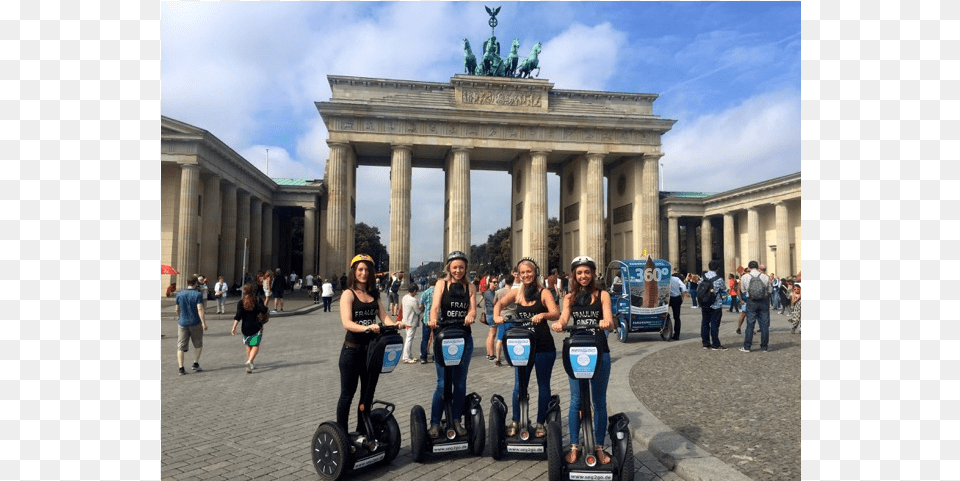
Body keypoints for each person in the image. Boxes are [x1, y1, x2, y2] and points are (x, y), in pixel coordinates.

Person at [551, 256, 614, 465]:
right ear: (573, 276)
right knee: (576, 399)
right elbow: (564, 317)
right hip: (577, 352)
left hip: (599, 352)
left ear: (593, 274)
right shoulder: (569, 297)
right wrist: (559, 324)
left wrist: (606, 322)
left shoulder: (602, 295)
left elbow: (609, 318)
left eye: (587, 272)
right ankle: (574, 445)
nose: (583, 276)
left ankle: (598, 446)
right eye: (579, 273)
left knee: (599, 401)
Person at [336, 254, 405, 432]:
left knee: (367, 396)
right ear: (354, 272)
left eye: (367, 270)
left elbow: (384, 317)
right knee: (347, 395)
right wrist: (366, 328)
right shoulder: (348, 294)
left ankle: (361, 431)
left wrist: (396, 324)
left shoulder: (374, 294)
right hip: (352, 352)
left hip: (371, 352)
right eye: (360, 269)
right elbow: (347, 323)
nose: (364, 273)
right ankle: (342, 434)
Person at [493, 257, 560, 439]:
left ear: (535, 272)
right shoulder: (517, 293)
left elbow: (556, 313)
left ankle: (540, 422)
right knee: (519, 385)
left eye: (528, 271)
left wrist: (543, 314)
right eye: (522, 272)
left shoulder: (543, 292)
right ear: (518, 274)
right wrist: (497, 316)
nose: (525, 275)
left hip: (543, 347)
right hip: (522, 348)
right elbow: (499, 303)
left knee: (543, 385)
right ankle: (516, 420)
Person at [427, 251, 477, 438]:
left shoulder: (470, 286)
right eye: (455, 267)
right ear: (449, 267)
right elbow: (435, 307)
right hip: (443, 337)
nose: (458, 270)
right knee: (442, 383)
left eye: (461, 267)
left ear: (465, 268)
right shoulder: (442, 284)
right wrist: (433, 320)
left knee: (460, 382)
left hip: (463, 337)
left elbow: (472, 308)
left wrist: (471, 315)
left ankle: (456, 419)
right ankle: (434, 423)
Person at [230, 283, 268, 373]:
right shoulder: (257, 300)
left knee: (248, 345)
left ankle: (251, 364)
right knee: (255, 345)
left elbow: (238, 316)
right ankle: (250, 361)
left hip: (245, 328)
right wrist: (262, 303)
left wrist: (234, 327)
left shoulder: (241, 302)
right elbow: (264, 310)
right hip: (256, 326)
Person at [175, 275, 207, 375]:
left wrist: (179, 317)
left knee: (180, 346)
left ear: (187, 283)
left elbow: (177, 309)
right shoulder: (197, 294)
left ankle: (181, 368)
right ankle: (195, 363)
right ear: (195, 283)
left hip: (182, 323)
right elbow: (200, 309)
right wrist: (203, 322)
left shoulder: (179, 294)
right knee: (198, 344)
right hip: (195, 322)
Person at [740, 261, 772, 353]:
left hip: (751, 301)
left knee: (750, 324)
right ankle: (764, 347)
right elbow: (770, 290)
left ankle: (747, 347)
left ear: (749, 268)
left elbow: (743, 290)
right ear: (758, 267)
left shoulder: (745, 277)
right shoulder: (765, 276)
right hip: (764, 301)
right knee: (764, 325)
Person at [418, 272, 447, 364]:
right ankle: (435, 357)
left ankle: (423, 357)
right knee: (436, 339)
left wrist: (425, 308)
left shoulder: (424, 293)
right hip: (437, 319)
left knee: (425, 339)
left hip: (427, 318)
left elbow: (420, 306)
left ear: (429, 284)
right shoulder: (441, 292)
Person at [700, 260, 727, 351]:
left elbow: (699, 288)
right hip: (716, 304)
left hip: (704, 304)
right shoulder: (719, 279)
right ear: (718, 268)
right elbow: (723, 289)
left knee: (705, 323)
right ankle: (715, 344)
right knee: (715, 325)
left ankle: (705, 343)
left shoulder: (703, 277)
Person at [492, 273, 517, 367]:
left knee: (500, 339)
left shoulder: (498, 292)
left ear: (505, 281)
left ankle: (498, 359)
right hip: (513, 317)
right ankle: (512, 358)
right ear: (513, 281)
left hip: (502, 318)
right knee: (512, 339)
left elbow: (495, 303)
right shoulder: (515, 292)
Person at [400, 284, 421, 363]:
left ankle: (409, 355)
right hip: (411, 321)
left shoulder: (404, 297)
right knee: (409, 339)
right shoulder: (413, 300)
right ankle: (406, 357)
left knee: (408, 339)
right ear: (414, 291)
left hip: (405, 320)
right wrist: (422, 309)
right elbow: (417, 311)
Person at [668, 273, 688, 341]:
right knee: (677, 318)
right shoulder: (676, 279)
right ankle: (676, 335)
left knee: (664, 314)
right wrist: (683, 292)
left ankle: (666, 330)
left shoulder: (665, 279)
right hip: (676, 298)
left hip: (668, 298)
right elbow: (683, 287)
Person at [483, 275, 498, 361]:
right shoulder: (489, 292)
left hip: (490, 314)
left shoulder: (492, 291)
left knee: (490, 335)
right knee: (492, 335)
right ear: (489, 282)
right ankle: (491, 354)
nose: (496, 283)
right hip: (491, 314)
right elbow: (494, 302)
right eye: (494, 282)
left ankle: (489, 353)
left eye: (496, 282)